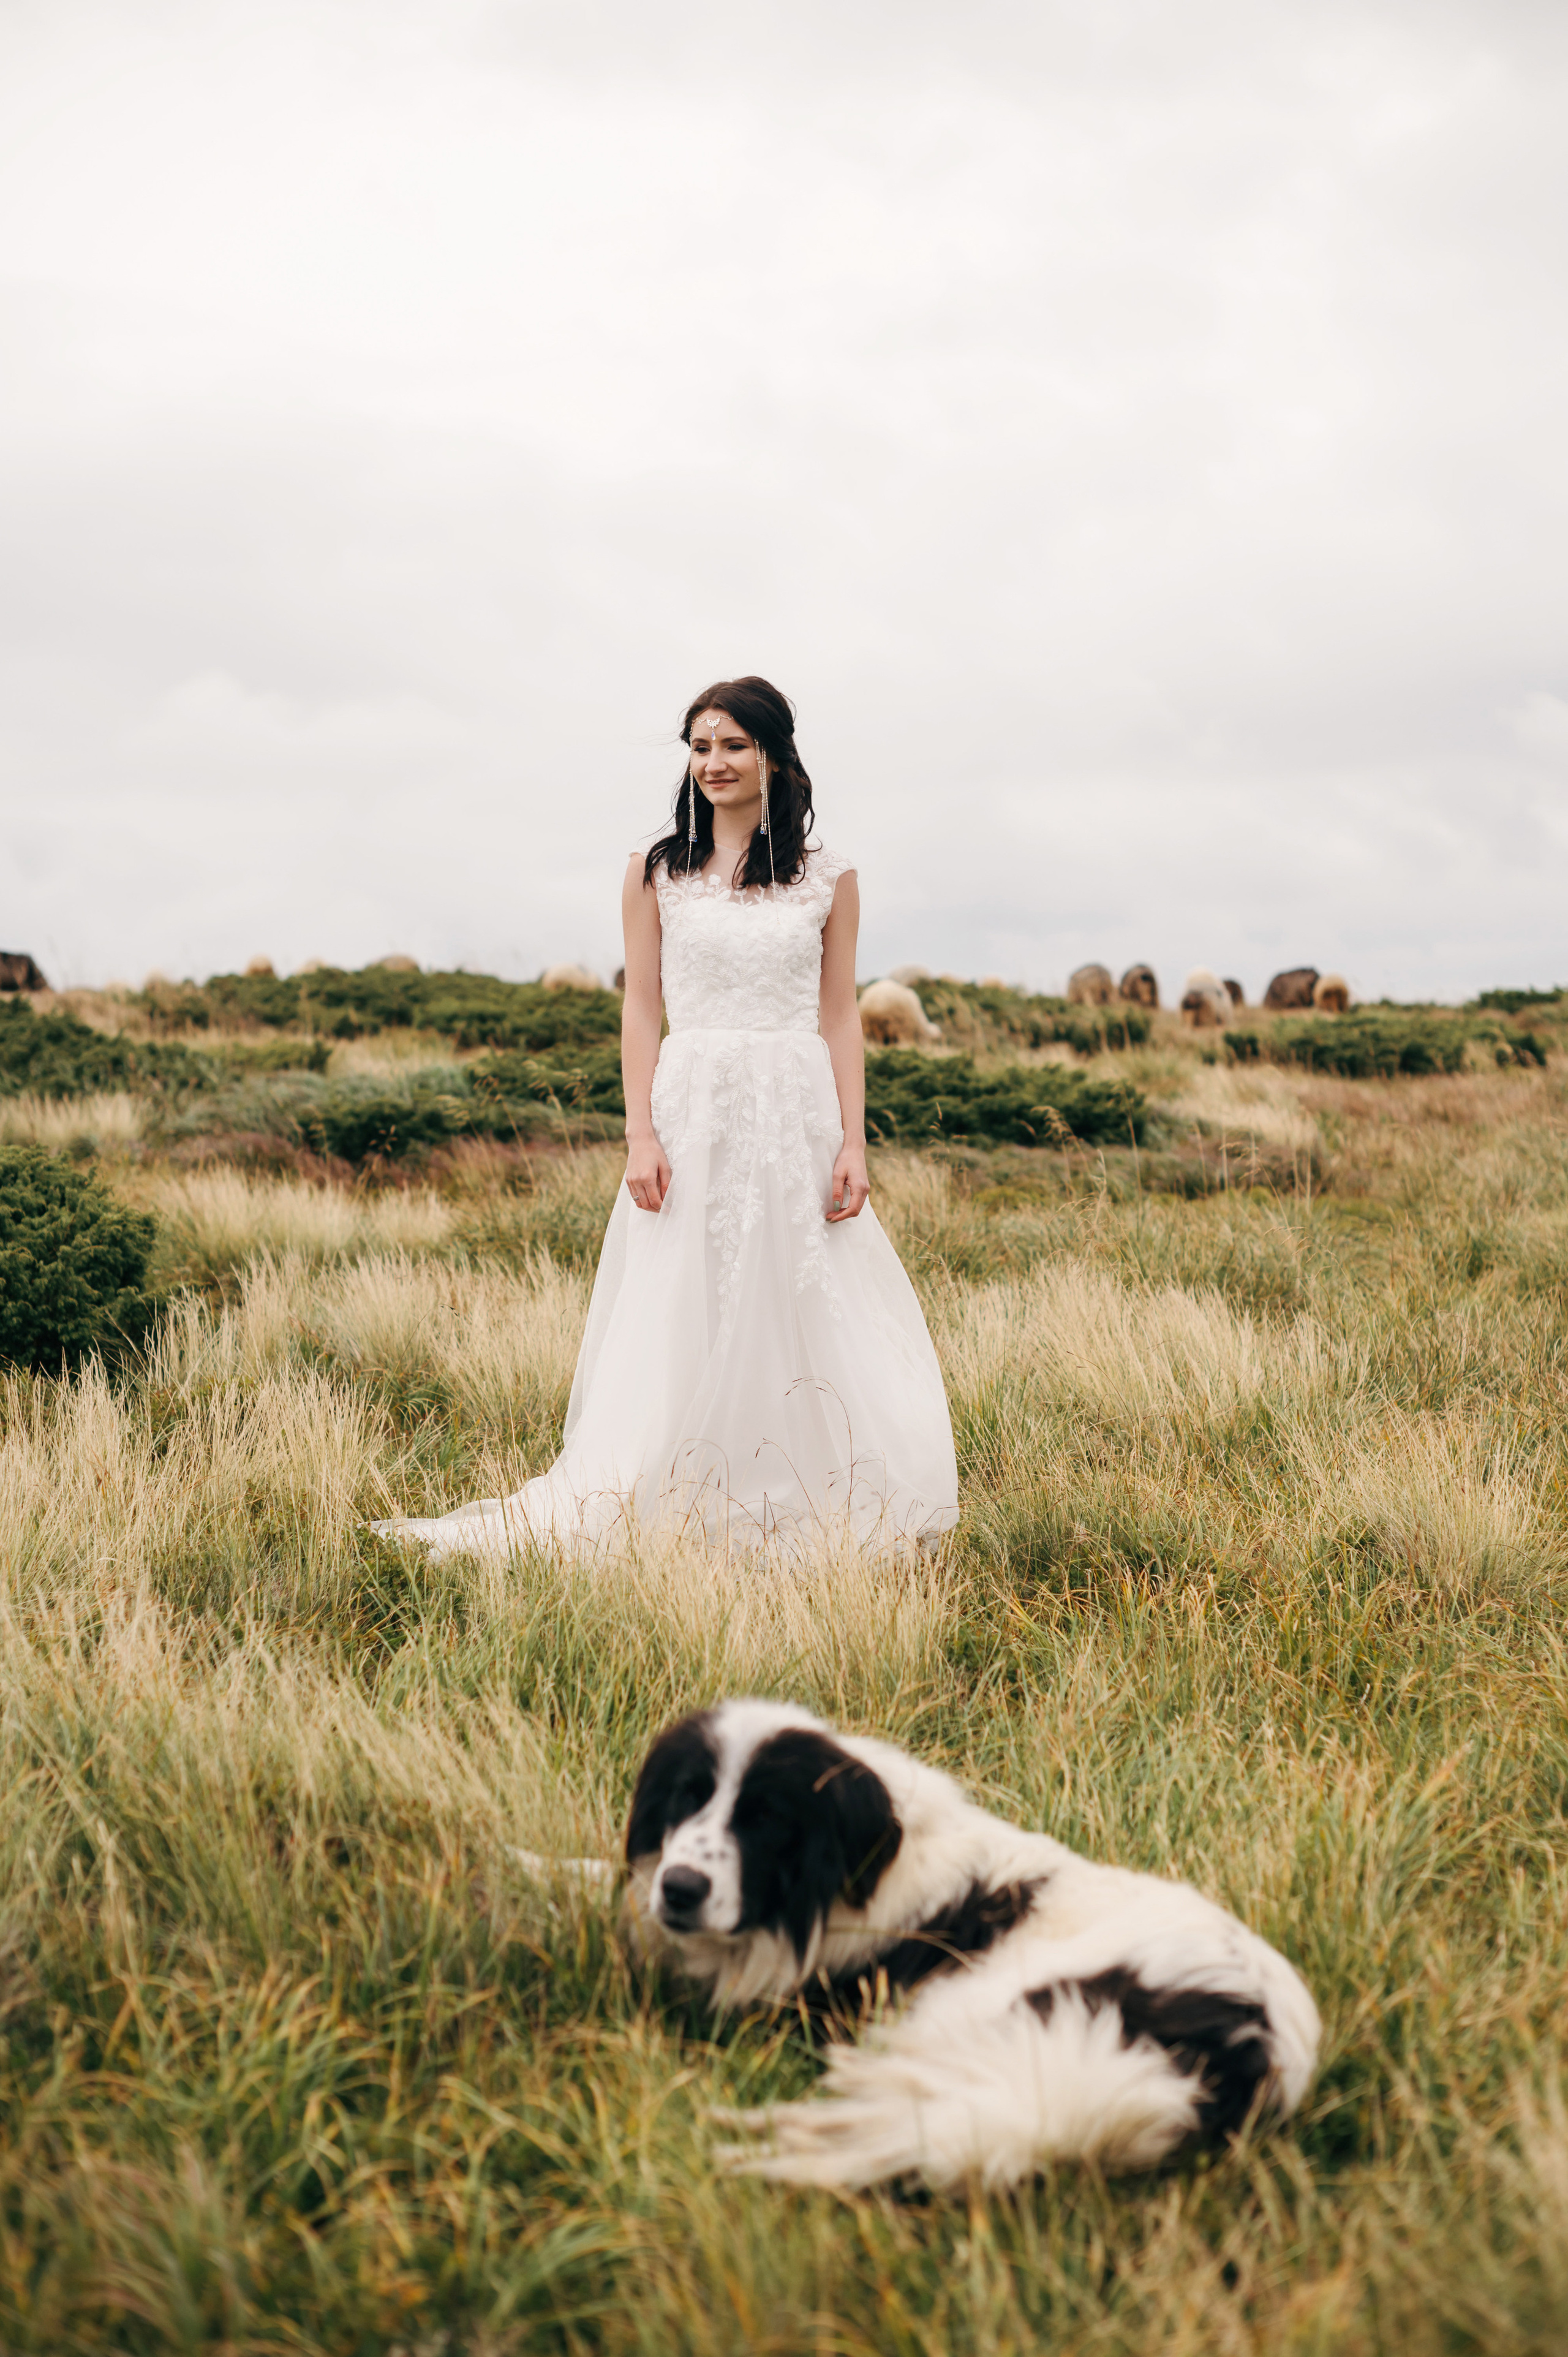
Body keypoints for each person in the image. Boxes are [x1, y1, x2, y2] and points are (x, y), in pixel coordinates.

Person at [373, 676, 958, 1561]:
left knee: (799, 1294)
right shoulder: (657, 872)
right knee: (689, 1295)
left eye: (732, 745)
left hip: (794, 1105)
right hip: (695, 1106)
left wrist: (853, 1140)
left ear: (774, 754)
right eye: (700, 746)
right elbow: (640, 1010)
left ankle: (807, 1482)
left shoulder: (828, 878)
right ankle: (671, 1487)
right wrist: (639, 1134)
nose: (714, 762)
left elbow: (840, 1015)